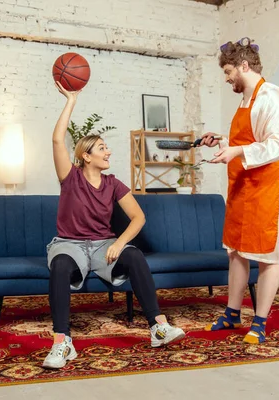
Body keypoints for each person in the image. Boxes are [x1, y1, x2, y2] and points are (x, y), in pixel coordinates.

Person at [43, 81, 185, 369]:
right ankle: (62, 343)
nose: (108, 152)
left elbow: (139, 217)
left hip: (103, 246)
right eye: (101, 148)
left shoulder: (113, 183)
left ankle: (158, 327)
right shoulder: (70, 177)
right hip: (69, 244)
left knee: (133, 254)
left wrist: (119, 243)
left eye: (107, 148)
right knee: (59, 266)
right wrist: (71, 100)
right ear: (86, 156)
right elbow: (58, 141)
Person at [199, 37, 279, 344]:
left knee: (266, 255)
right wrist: (223, 141)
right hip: (242, 184)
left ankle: (261, 322)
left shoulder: (271, 99)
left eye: (228, 71)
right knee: (236, 251)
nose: (226, 78)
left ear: (243, 66)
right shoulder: (246, 99)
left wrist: (236, 153)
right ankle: (232, 313)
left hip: (266, 185)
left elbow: (277, 146)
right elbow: (248, 141)